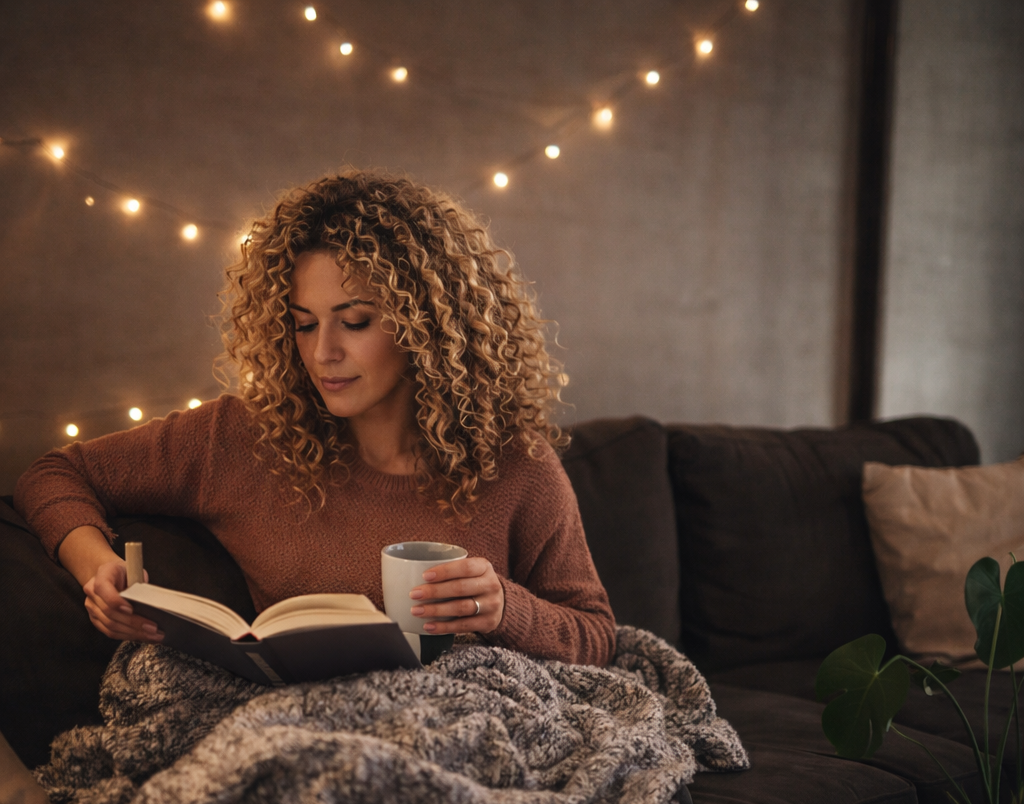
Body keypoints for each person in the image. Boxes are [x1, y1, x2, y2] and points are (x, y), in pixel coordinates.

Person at [15, 171, 616, 666]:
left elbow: (596, 635)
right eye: (304, 323)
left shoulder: (514, 465)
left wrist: (507, 609)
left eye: (354, 322)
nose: (322, 351)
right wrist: (99, 571)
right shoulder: (244, 437)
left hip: (475, 724)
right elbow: (53, 474)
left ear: (427, 328)